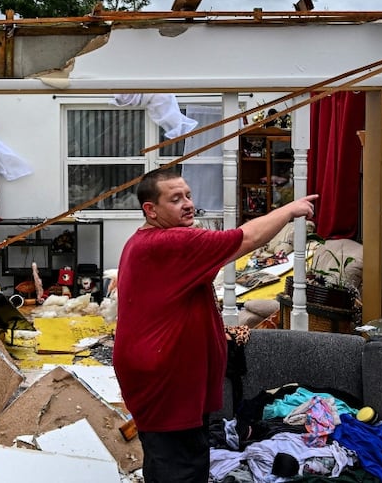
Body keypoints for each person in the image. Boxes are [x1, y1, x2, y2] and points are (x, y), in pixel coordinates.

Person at [113, 167, 318, 483]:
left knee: (172, 459)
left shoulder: (150, 241)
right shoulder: (169, 243)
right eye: (176, 199)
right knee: (180, 468)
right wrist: (291, 209)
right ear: (150, 210)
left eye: (189, 195)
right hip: (165, 382)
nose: (188, 204)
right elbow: (246, 238)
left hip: (168, 378)